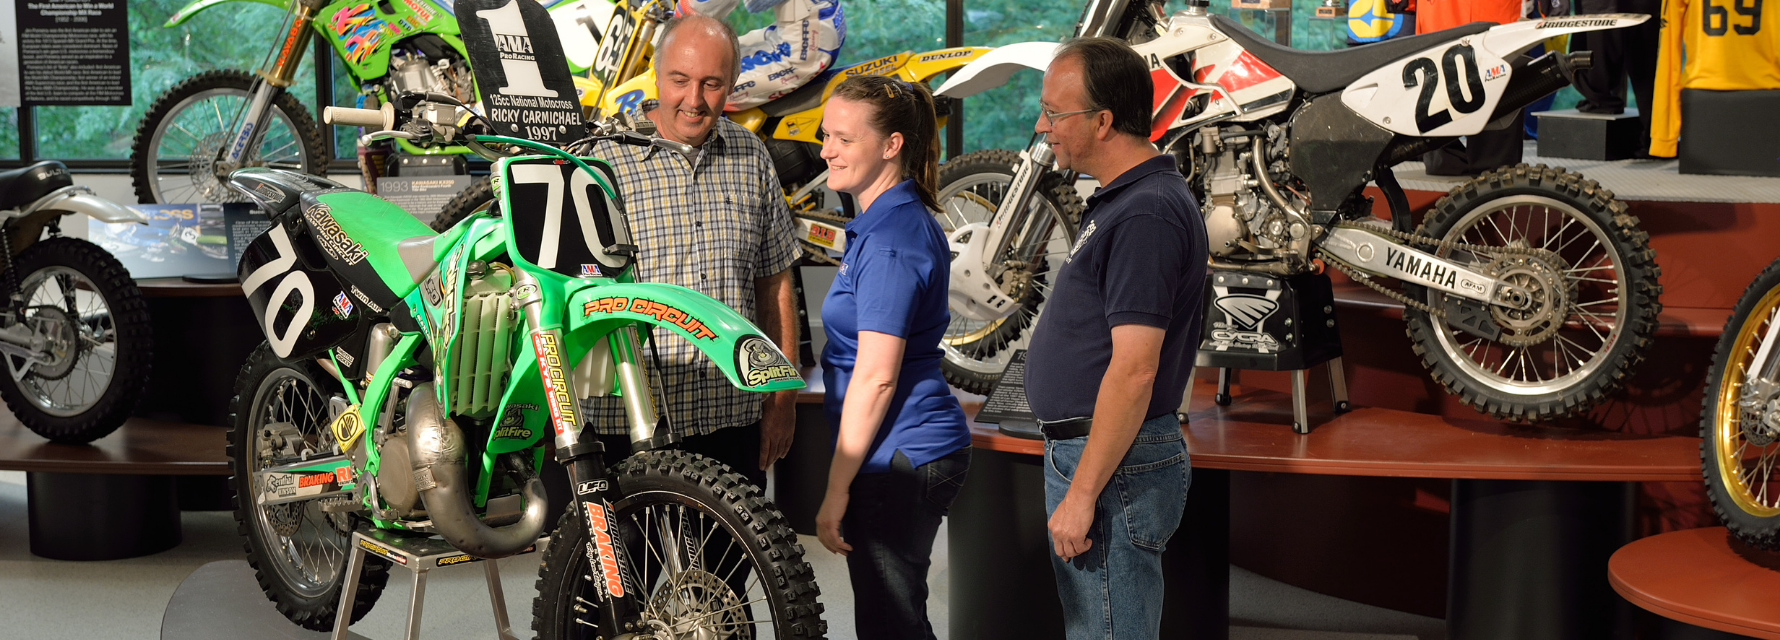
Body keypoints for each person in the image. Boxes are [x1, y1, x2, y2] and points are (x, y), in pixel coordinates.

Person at [1023, 37, 1207, 640]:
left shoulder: (1146, 214)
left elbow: (1134, 371)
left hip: (1111, 468)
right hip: (1099, 458)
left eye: (1055, 112)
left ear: (1103, 122)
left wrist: (1081, 496)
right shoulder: (1126, 201)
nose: (1041, 125)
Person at [580, 12, 800, 489]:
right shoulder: (599, 158)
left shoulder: (752, 155)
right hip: (628, 424)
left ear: (733, 83)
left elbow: (776, 283)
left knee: (729, 566)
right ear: (656, 76)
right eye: (680, 80)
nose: (694, 101)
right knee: (624, 567)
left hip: (733, 418)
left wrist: (781, 398)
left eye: (712, 84)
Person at [810, 75, 970, 640]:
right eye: (826, 135)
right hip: (900, 449)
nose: (826, 150)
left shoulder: (893, 240)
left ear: (892, 144)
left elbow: (877, 377)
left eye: (844, 139)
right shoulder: (885, 222)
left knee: (891, 625)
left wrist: (835, 490)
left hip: (900, 455)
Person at [676, 0, 846, 111]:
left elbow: (753, 4)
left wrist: (685, 11)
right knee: (714, 55)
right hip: (799, 31)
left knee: (708, 92)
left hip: (804, 46)